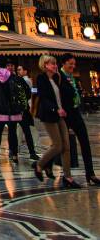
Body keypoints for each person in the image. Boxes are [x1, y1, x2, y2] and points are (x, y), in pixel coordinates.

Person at [32, 53, 80, 188]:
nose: (55, 66)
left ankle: (68, 177)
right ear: (45, 65)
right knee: (57, 145)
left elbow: (68, 93)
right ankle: (40, 164)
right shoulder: (41, 78)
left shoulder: (57, 77)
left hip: (60, 115)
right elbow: (44, 98)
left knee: (66, 147)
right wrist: (55, 109)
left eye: (55, 63)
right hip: (49, 115)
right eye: (52, 63)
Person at [59, 53, 100, 186]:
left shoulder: (72, 77)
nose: (73, 66)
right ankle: (47, 165)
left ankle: (90, 173)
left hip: (75, 113)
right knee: (63, 146)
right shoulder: (59, 77)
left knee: (85, 143)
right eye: (70, 63)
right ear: (64, 63)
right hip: (65, 115)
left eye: (74, 63)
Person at [0, 55, 22, 163]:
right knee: (12, 133)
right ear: (6, 64)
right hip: (12, 110)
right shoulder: (12, 76)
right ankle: (14, 155)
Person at [9, 61, 38, 160]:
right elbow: (30, 93)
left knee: (16, 131)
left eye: (19, 69)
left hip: (18, 109)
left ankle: (14, 153)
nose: (17, 71)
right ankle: (31, 152)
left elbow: (30, 92)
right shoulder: (19, 79)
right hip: (22, 108)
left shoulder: (21, 80)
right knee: (24, 130)